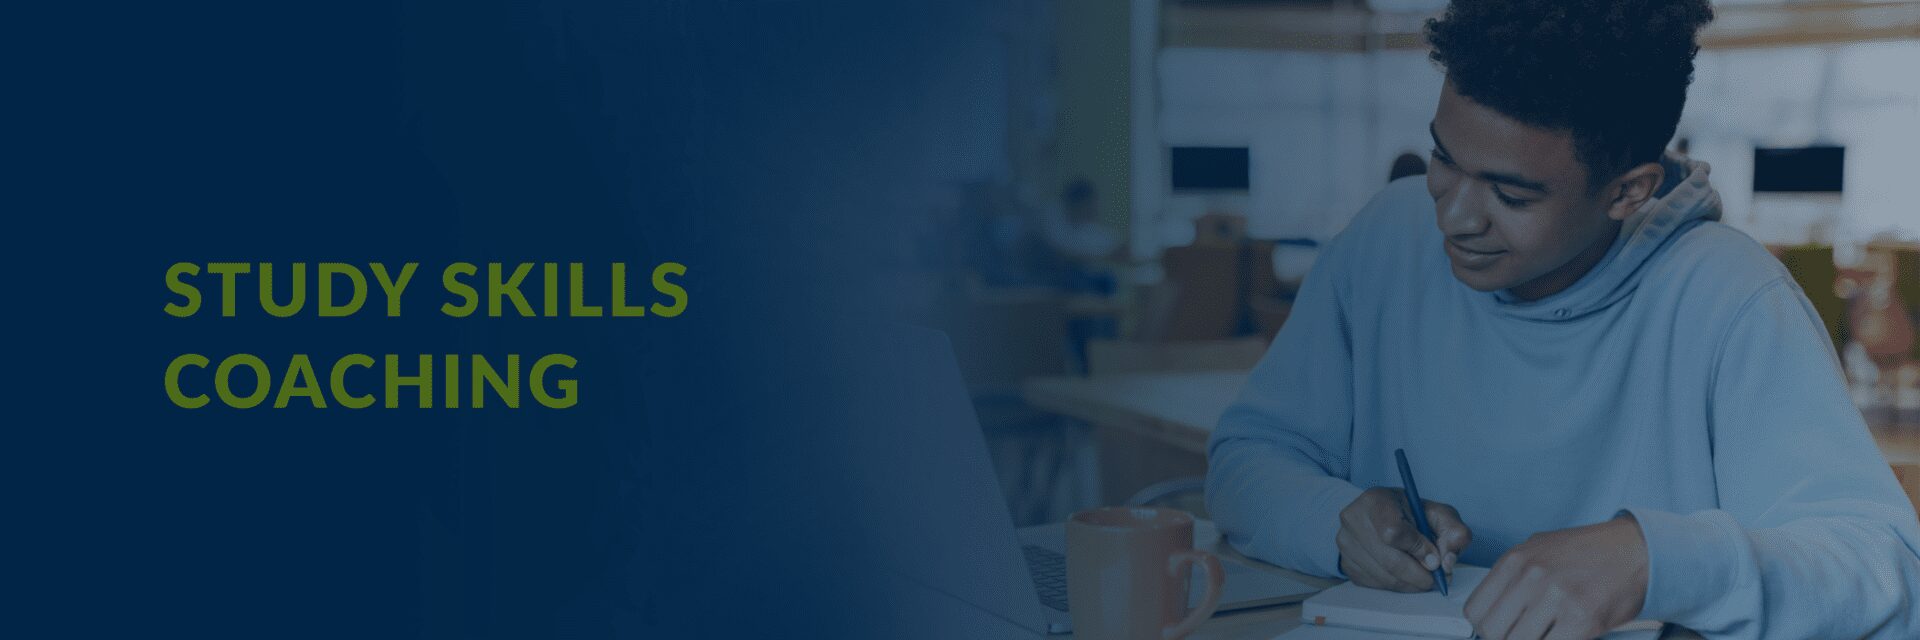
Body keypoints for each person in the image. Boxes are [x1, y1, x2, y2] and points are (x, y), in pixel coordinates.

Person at [1205, 2, 1920, 639]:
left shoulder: (1732, 297)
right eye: (1443, 160)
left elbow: (1887, 570)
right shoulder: (1384, 240)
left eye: (1511, 194)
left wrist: (1653, 561)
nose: (1453, 216)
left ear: (1627, 191)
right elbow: (1246, 459)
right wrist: (1335, 520)